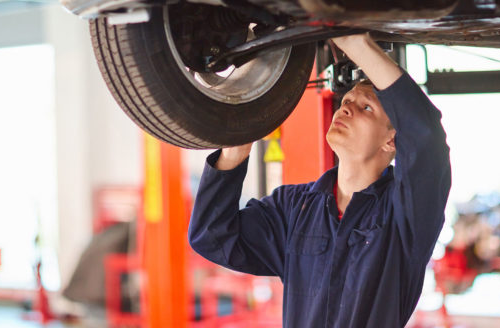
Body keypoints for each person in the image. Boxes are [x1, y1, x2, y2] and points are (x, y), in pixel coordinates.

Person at [188, 33, 452, 327]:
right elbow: (212, 237)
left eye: (366, 108)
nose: (346, 107)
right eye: (347, 100)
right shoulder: (294, 208)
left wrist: (357, 45)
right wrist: (235, 153)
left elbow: (426, 137)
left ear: (392, 141)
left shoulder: (405, 215)